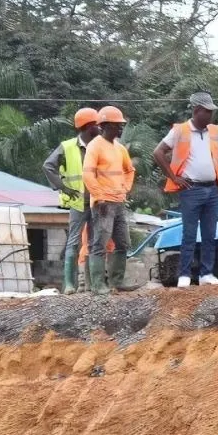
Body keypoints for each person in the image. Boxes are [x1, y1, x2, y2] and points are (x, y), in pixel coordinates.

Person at [153, 91, 218, 287]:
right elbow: (158, 152)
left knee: (209, 234)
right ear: (197, 111)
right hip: (191, 190)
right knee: (189, 233)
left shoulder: (214, 131)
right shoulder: (180, 130)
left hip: (212, 189)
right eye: (208, 111)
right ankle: (184, 275)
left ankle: (207, 274)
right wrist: (173, 177)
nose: (211, 116)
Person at [41, 107, 101, 294]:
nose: (100, 128)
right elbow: (48, 166)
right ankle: (69, 285)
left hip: (97, 200)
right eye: (97, 124)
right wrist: (63, 187)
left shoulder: (100, 145)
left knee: (94, 242)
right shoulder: (67, 147)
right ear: (88, 126)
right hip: (77, 202)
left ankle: (92, 286)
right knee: (73, 242)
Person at [82, 105, 136, 294]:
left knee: (123, 243)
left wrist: (125, 189)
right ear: (106, 126)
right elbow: (87, 175)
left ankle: (116, 282)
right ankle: (98, 285)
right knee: (100, 243)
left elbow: (130, 171)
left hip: (118, 201)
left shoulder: (120, 149)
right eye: (117, 125)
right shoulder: (94, 146)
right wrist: (99, 197)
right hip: (103, 203)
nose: (121, 128)